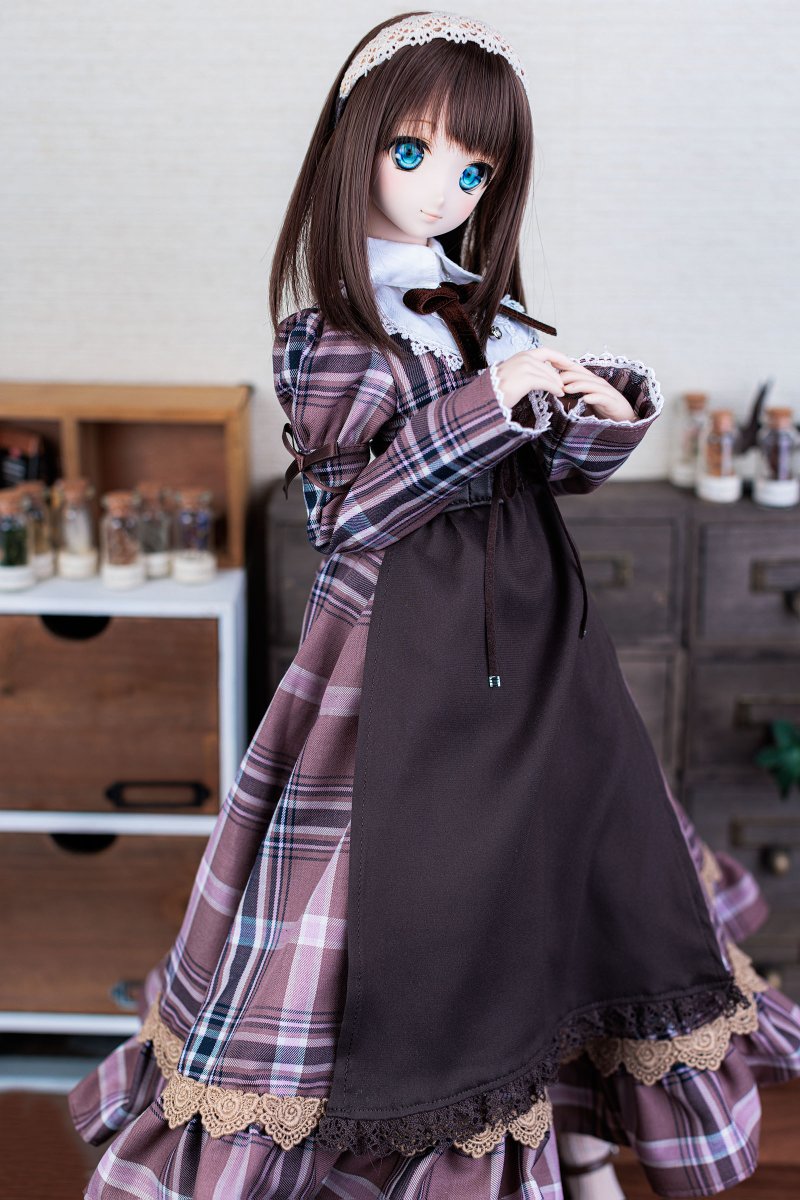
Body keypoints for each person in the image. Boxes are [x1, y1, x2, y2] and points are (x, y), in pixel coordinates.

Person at [69, 12, 800, 1199]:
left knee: (569, 878)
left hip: (540, 647)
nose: (442, 189)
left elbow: (542, 475)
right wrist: (487, 401)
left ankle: (581, 1145)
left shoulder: (480, 313)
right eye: (413, 152)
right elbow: (351, 511)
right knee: (418, 899)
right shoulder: (329, 338)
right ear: (353, 145)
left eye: (473, 170)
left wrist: (598, 408)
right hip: (403, 658)